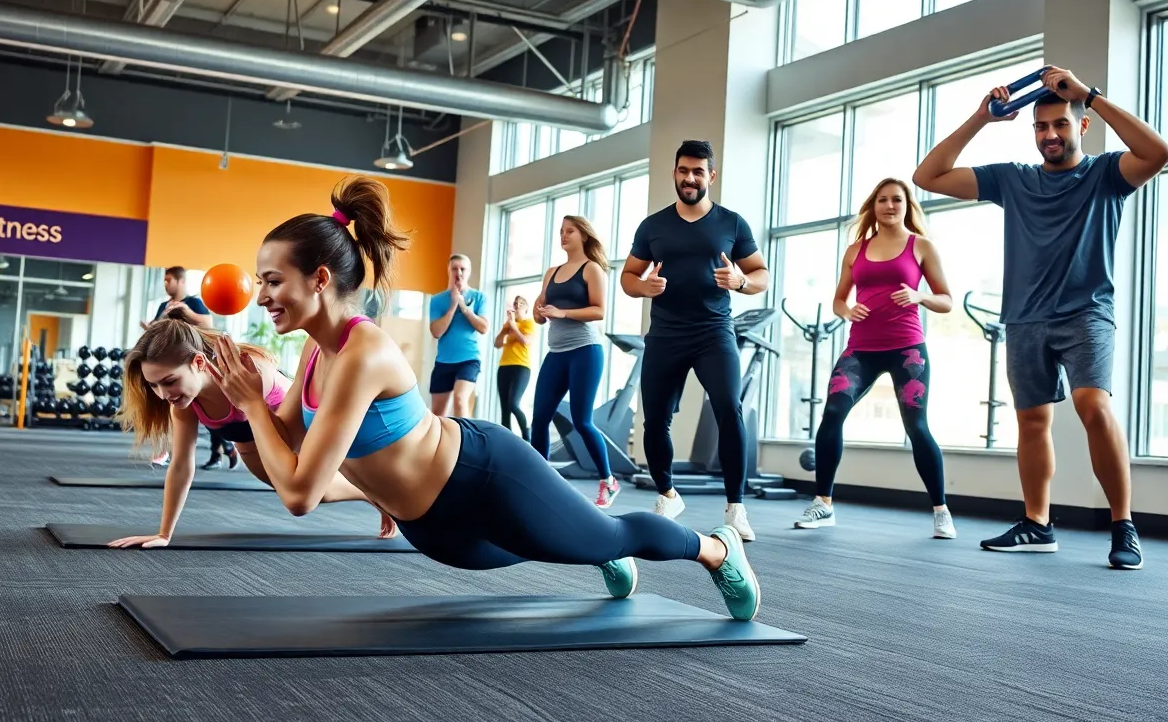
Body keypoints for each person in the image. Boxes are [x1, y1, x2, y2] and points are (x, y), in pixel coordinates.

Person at [205, 175, 761, 621]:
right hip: (431, 525)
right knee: (556, 543)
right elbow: (279, 460)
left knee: (611, 533)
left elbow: (301, 492)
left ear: (320, 279)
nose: (263, 295)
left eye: (272, 280)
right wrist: (226, 409)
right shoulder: (312, 354)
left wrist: (253, 407)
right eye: (260, 281)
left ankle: (715, 549)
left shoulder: (361, 352)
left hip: (484, 475)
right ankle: (590, 546)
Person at [913, 64, 1168, 569]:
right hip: (1025, 317)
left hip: (1086, 312)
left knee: (1093, 406)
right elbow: (928, 176)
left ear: (1081, 126)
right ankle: (1038, 523)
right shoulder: (1013, 180)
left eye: (1059, 124)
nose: (1049, 135)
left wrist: (1090, 95)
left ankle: (1124, 526)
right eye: (1040, 127)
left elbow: (1159, 153)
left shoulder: (1107, 174)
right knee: (1031, 422)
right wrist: (980, 119)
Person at [110, 312, 396, 549]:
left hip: (296, 431)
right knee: (317, 495)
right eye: (154, 385)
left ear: (198, 362)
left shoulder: (251, 372)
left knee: (304, 493)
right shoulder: (183, 405)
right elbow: (182, 465)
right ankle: (371, 495)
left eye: (169, 381)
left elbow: (292, 423)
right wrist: (164, 534)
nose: (162, 394)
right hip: (250, 447)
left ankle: (379, 491)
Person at [621, 140, 770, 541]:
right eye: (684, 170)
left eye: (698, 172)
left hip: (713, 332)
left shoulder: (732, 223)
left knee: (728, 409)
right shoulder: (652, 226)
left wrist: (740, 281)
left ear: (711, 176)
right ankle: (668, 494)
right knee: (655, 419)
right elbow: (627, 278)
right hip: (666, 334)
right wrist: (643, 287)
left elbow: (760, 274)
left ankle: (736, 508)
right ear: (674, 173)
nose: (690, 178)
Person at [792, 178, 956, 539]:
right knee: (832, 412)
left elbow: (946, 299)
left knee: (916, 426)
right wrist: (846, 311)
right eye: (882, 199)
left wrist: (919, 297)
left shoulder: (921, 246)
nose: (889, 205)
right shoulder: (855, 250)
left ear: (906, 205)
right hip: (861, 349)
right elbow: (838, 299)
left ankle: (941, 510)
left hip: (906, 348)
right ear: (874, 206)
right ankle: (824, 503)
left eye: (896, 199)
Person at [529, 215, 618, 508]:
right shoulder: (552, 272)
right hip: (556, 353)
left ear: (583, 236)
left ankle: (608, 480)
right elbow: (539, 315)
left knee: (582, 420)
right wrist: (539, 311)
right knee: (539, 419)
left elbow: (600, 311)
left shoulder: (591, 269)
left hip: (585, 350)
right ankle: (539, 481)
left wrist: (564, 313)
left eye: (570, 231)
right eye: (561, 231)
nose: (564, 236)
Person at [141, 265, 215, 467]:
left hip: (192, 365)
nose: (165, 284)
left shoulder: (193, 302)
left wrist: (187, 312)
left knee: (214, 418)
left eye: (169, 280)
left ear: (181, 281)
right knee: (170, 405)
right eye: (164, 281)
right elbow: (156, 332)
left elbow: (208, 324)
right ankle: (165, 450)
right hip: (169, 366)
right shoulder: (164, 306)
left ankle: (225, 449)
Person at [428, 254, 488, 418]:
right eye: (455, 268)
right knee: (438, 416)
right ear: (449, 270)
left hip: (469, 359)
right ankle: (443, 443)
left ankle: (467, 443)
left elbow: (483, 328)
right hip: (444, 361)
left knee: (460, 399)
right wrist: (454, 304)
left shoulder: (479, 297)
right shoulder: (437, 300)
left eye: (463, 269)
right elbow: (436, 332)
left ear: (469, 272)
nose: (459, 272)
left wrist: (464, 305)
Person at [492, 295, 535, 441]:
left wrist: (514, 326)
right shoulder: (508, 324)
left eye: (521, 303)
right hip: (504, 366)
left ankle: (526, 435)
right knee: (505, 409)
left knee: (513, 403)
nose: (517, 306)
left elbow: (526, 341)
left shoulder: (529, 323)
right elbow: (497, 344)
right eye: (516, 303)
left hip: (521, 367)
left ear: (526, 309)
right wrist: (506, 329)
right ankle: (507, 442)